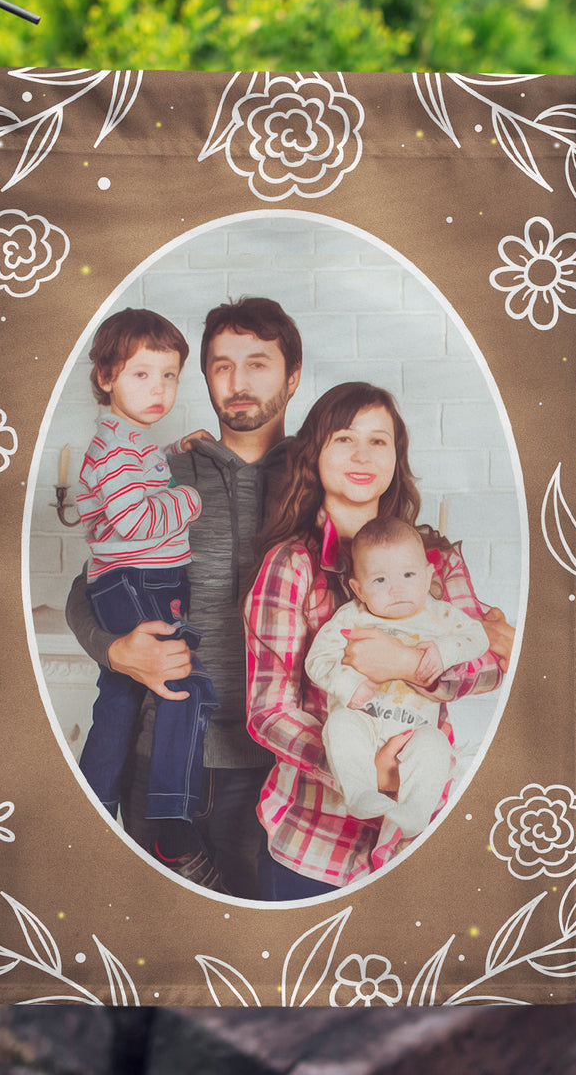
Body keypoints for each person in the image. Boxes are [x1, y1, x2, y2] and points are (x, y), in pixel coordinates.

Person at [67, 297, 302, 897]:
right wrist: (115, 651)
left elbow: (386, 573)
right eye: (222, 365)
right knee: (156, 952)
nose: (239, 381)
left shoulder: (320, 476)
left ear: (292, 377)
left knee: (261, 963)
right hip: (162, 762)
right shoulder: (164, 470)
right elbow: (87, 587)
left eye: (258, 363)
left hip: (278, 769)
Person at [245, 382, 513, 901]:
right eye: (344, 439)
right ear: (314, 454)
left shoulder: (434, 560)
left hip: (421, 830)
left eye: (379, 441)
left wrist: (411, 664)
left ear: (397, 455)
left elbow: (487, 661)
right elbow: (268, 710)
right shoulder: (291, 564)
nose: (363, 455)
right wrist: (362, 766)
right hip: (313, 838)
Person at [72, 308, 217, 873]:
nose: (158, 388)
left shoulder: (132, 443)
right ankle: (171, 823)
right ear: (107, 377)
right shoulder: (115, 449)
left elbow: (141, 478)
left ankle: (93, 803)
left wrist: (176, 454)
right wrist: (191, 497)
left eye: (170, 375)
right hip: (135, 582)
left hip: (137, 580)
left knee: (121, 697)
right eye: (141, 374)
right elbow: (135, 519)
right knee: (183, 686)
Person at [305, 515, 494, 838]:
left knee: (435, 746)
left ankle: (414, 812)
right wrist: (348, 685)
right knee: (339, 727)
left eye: (409, 574)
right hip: (363, 722)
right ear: (358, 589)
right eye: (380, 580)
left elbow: (479, 639)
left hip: (415, 731)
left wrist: (445, 651)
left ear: (428, 575)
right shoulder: (351, 617)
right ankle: (360, 793)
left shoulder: (440, 615)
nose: (397, 588)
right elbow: (317, 660)